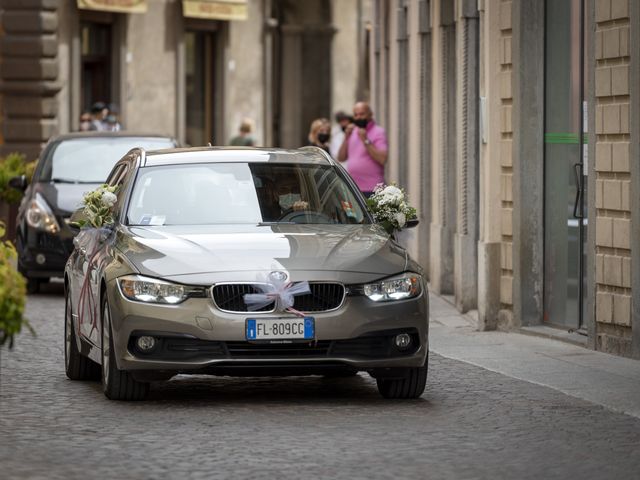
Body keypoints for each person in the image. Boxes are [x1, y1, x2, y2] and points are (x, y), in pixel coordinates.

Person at [337, 101, 388, 197]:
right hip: (354, 188)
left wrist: (365, 140)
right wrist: (346, 137)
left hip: (374, 189)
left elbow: (382, 159)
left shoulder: (378, 132)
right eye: (356, 115)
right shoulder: (352, 131)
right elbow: (341, 158)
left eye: (362, 114)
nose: (359, 117)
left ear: (370, 114)